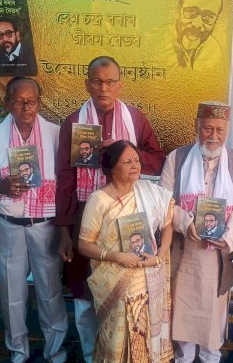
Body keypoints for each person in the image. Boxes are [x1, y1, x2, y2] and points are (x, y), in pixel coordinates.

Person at [55, 56, 165, 362]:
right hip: (85, 215)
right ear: (87, 84)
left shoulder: (135, 119)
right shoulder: (73, 123)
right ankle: (92, 354)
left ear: (120, 84)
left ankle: (121, 354)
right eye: (97, 81)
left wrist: (125, 146)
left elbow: (158, 161)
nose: (103, 88)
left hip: (128, 217)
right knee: (84, 294)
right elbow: (65, 176)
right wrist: (64, 230)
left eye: (110, 82)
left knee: (126, 289)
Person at [159, 101, 233, 362]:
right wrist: (184, 222)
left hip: (217, 256)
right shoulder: (176, 158)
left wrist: (229, 237)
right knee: (182, 321)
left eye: (220, 130)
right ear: (196, 127)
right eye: (208, 128)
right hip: (184, 251)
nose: (213, 136)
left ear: (227, 130)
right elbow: (163, 200)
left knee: (212, 326)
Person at [0, 77, 68, 363]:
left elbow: (67, 180)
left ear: (39, 102)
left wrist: (64, 229)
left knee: (50, 290)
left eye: (31, 101)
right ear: (7, 102)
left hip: (45, 225)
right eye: (19, 101)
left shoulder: (56, 134)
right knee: (12, 292)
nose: (26, 107)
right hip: (9, 224)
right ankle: (18, 350)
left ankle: (55, 350)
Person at [78, 140, 174, 362]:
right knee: (117, 341)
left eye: (136, 160)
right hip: (115, 284)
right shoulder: (99, 200)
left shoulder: (148, 193)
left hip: (147, 281)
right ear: (112, 168)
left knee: (144, 338)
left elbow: (168, 223)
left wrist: (158, 257)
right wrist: (117, 256)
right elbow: (84, 245)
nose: (135, 165)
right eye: (127, 161)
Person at [173, 0, 225, 70]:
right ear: (179, 11)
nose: (197, 24)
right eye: (191, 12)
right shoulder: (155, 43)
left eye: (208, 17)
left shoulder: (215, 53)